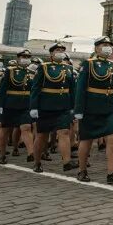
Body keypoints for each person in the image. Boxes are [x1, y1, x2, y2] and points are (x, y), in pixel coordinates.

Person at [74, 36, 113, 183]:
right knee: (87, 139)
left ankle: (111, 172)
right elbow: (80, 88)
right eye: (104, 44)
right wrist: (79, 109)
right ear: (96, 48)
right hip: (91, 106)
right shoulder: (88, 64)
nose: (108, 47)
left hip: (110, 105)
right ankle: (82, 170)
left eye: (109, 44)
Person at [30, 42, 78, 173]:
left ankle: (67, 162)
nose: (60, 52)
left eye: (62, 50)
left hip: (63, 106)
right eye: (57, 50)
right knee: (42, 136)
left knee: (64, 132)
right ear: (51, 53)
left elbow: (72, 90)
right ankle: (37, 162)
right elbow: (35, 88)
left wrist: (73, 107)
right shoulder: (44, 67)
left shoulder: (68, 68)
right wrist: (33, 107)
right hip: (46, 106)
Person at [0, 49, 34, 164]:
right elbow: (3, 88)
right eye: (23, 56)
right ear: (18, 58)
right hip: (10, 105)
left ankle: (31, 153)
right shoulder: (10, 71)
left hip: (26, 104)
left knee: (26, 127)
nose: (26, 59)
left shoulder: (32, 73)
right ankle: (2, 153)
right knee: (6, 130)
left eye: (28, 57)